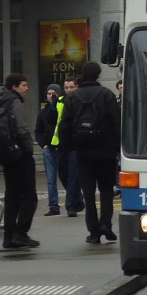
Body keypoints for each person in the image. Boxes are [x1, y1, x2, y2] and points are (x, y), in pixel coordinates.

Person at [61, 62, 121, 244]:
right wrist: (117, 147)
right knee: (106, 190)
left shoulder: (73, 97)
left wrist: (70, 147)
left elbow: (65, 125)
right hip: (105, 152)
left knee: (88, 191)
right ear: (98, 75)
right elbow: (116, 123)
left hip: (83, 152)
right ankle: (106, 224)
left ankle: (93, 231)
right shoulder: (106, 95)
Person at [0, 73, 39, 249]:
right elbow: (22, 128)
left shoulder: (1, 103)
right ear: (14, 87)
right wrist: (29, 149)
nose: (26, 88)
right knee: (30, 196)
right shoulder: (16, 103)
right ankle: (21, 233)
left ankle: (9, 236)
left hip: (8, 156)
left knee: (12, 196)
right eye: (23, 85)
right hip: (20, 155)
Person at [34, 84, 64, 216]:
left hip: (62, 148)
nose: (50, 96)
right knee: (51, 180)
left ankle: (74, 202)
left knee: (68, 177)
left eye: (53, 93)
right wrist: (43, 144)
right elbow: (38, 130)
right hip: (49, 149)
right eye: (48, 93)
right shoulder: (43, 112)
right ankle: (53, 206)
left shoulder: (62, 108)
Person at [58, 77, 85, 216]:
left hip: (75, 145)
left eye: (71, 87)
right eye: (66, 87)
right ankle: (78, 199)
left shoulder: (80, 102)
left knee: (73, 176)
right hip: (61, 144)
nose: (69, 90)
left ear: (77, 87)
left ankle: (71, 206)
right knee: (63, 173)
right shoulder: (59, 102)